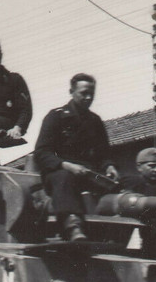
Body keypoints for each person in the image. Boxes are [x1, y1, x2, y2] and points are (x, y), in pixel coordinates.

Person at [33, 73, 120, 242]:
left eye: (91, 94)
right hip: (59, 173)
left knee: (129, 183)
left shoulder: (95, 121)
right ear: (71, 91)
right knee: (64, 179)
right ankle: (73, 226)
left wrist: (110, 166)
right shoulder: (56, 117)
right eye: (83, 93)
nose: (88, 98)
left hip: (88, 174)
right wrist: (67, 166)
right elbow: (42, 153)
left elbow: (104, 154)